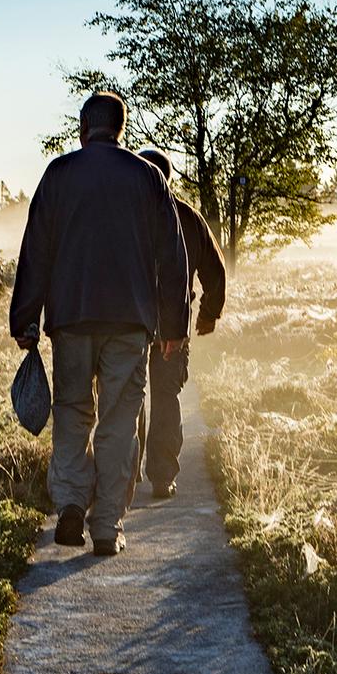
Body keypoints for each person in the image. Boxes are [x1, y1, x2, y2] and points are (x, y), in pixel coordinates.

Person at [9, 92, 188, 556]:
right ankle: (107, 525)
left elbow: (36, 252)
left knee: (72, 412)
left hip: (71, 319)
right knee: (119, 421)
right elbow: (172, 257)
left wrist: (25, 318)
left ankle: (70, 502)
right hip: (130, 321)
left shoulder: (58, 175)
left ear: (82, 130)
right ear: (122, 132)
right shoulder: (148, 179)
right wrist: (174, 326)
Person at [135, 148, 226, 499]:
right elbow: (214, 270)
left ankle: (127, 471)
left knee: (131, 396)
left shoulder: (128, 217)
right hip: (174, 322)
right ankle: (163, 475)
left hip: (133, 320)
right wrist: (207, 314)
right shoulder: (188, 216)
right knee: (166, 394)